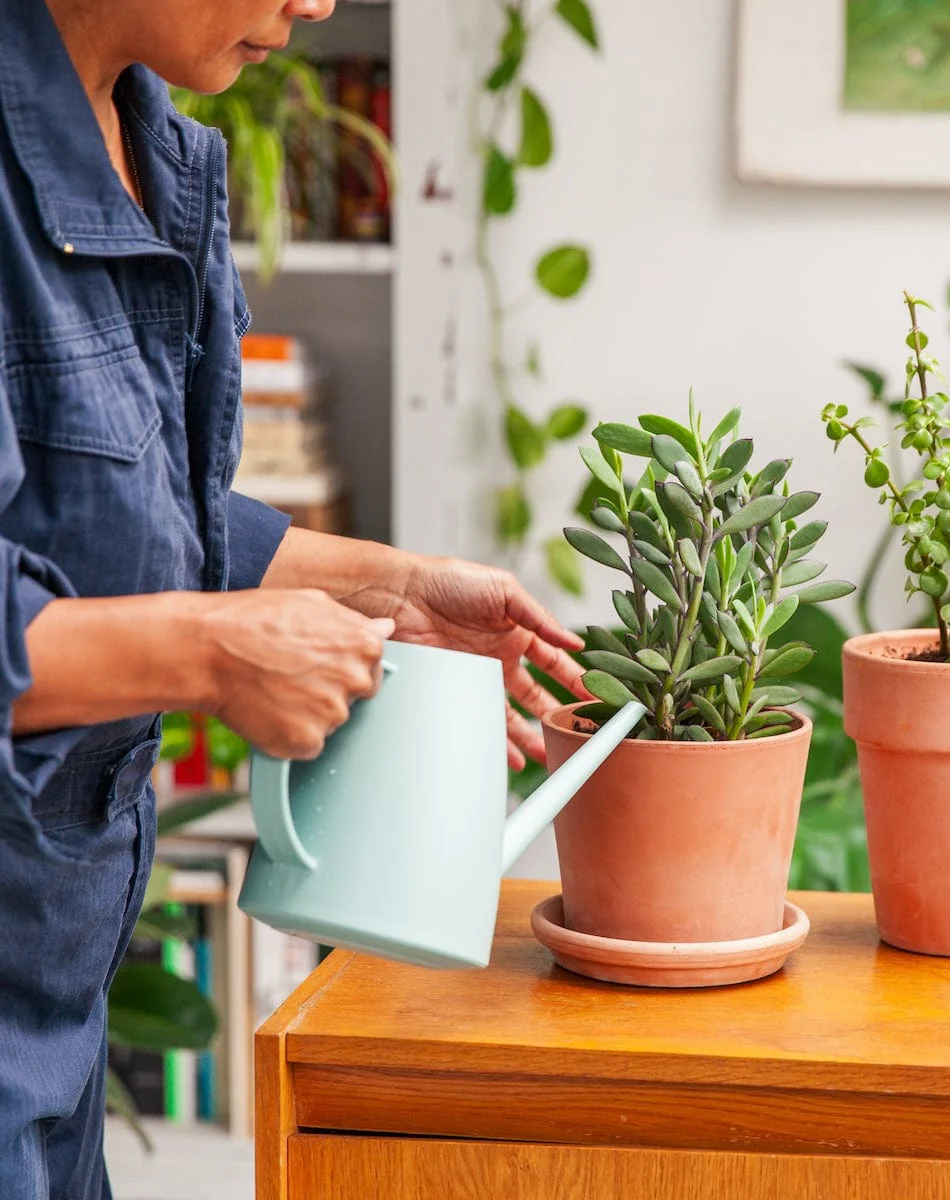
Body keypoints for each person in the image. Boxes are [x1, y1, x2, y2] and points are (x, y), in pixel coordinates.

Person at [0, 1, 589, 1195]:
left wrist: (388, 583)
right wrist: (213, 653)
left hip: (54, 1016)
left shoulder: (150, 143)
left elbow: (128, 515)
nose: (320, 1)